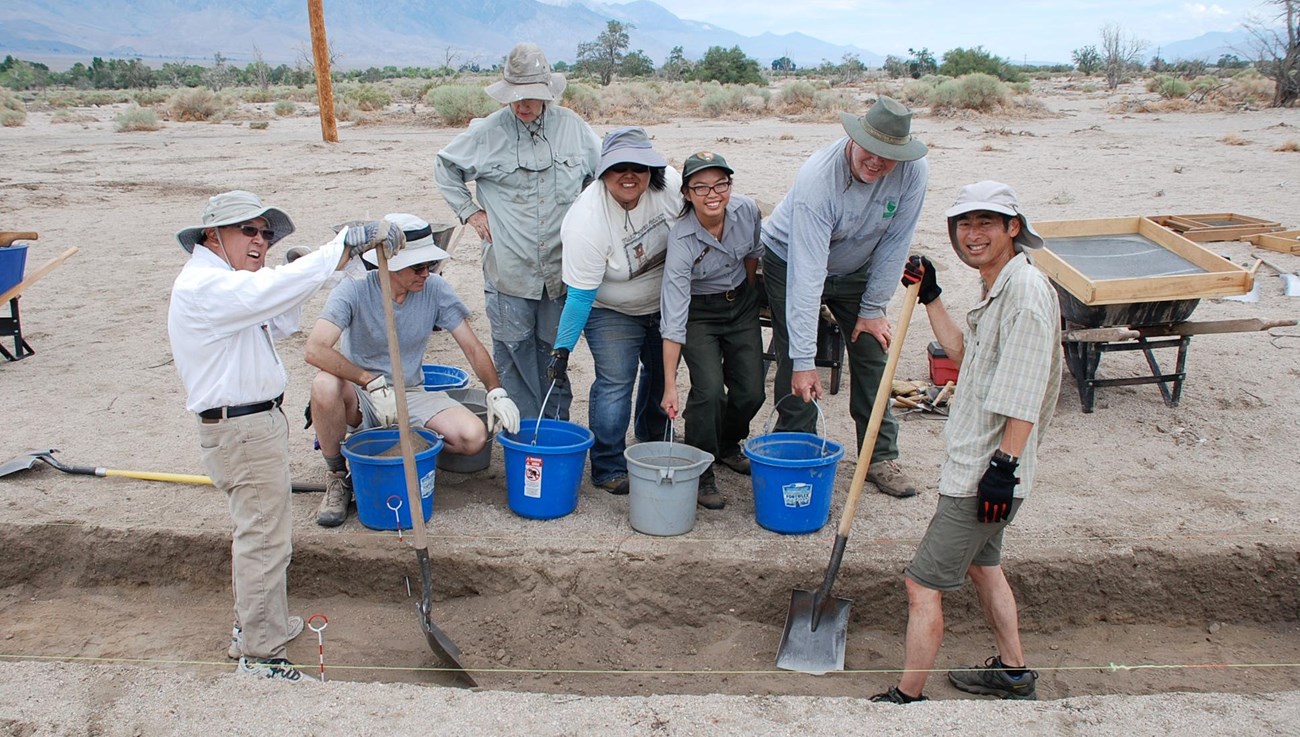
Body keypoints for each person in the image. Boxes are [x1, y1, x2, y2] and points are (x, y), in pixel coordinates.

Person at [168, 190, 404, 681]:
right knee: (264, 540)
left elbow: (278, 315)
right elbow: (269, 294)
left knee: (263, 534)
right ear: (213, 236)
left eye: (265, 233)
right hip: (242, 429)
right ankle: (260, 654)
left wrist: (333, 264)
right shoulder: (206, 289)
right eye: (248, 231)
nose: (261, 241)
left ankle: (258, 626)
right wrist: (341, 244)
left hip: (254, 424)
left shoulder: (232, 284)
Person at [871, 181, 1062, 704]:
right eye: (964, 225)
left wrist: (1003, 465)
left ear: (1013, 228)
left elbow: (1023, 394)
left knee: (921, 584)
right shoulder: (1000, 284)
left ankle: (907, 696)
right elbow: (966, 354)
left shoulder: (1023, 297)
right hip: (988, 468)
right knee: (983, 565)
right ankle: (1012, 672)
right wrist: (931, 295)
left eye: (986, 224)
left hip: (985, 474)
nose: (972, 235)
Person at [760, 95, 928, 498]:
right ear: (854, 139)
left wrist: (872, 309)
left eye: (890, 155)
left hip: (858, 263)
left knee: (873, 350)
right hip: (791, 258)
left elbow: (895, 242)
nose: (878, 162)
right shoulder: (819, 178)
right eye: (872, 150)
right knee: (795, 353)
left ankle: (879, 456)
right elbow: (807, 274)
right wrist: (805, 360)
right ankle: (795, 442)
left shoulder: (914, 172)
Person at [305, 213, 521, 528]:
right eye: (418, 267)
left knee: (474, 438)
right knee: (324, 386)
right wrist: (370, 382)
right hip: (364, 395)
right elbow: (315, 349)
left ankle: (410, 446)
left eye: (430, 265)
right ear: (389, 263)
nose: (427, 273)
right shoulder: (352, 291)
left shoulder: (435, 289)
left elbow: (471, 346)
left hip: (411, 392)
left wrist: (495, 390)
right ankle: (338, 474)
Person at [435, 42, 601, 423]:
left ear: (547, 95)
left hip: (561, 271)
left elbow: (600, 175)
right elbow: (445, 166)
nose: (522, 105)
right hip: (509, 269)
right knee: (513, 350)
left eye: (530, 97)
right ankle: (521, 433)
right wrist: (469, 212)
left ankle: (554, 429)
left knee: (555, 352)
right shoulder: (487, 133)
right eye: (515, 97)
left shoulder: (574, 128)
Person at [548, 127, 681, 496]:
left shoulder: (670, 185)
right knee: (615, 382)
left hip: (665, 302)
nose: (628, 175)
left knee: (660, 373)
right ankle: (607, 464)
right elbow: (579, 297)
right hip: (611, 308)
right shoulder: (585, 221)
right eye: (617, 167)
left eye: (638, 167)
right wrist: (563, 349)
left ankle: (652, 437)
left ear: (651, 171)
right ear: (603, 171)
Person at [659, 151, 764, 510]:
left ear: (730, 186)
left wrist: (745, 293)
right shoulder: (682, 240)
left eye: (721, 183)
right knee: (708, 392)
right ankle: (701, 468)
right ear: (687, 193)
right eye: (700, 187)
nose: (712, 193)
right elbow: (673, 316)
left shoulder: (747, 210)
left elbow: (752, 254)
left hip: (741, 304)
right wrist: (670, 385)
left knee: (751, 391)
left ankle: (727, 444)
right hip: (699, 313)